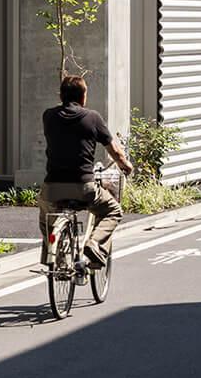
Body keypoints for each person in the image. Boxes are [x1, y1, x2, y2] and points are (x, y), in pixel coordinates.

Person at [40, 74, 133, 270]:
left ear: (61, 96)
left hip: (52, 187)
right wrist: (125, 164)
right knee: (113, 210)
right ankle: (94, 244)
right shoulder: (92, 118)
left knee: (48, 216)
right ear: (83, 97)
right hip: (83, 187)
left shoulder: (48, 116)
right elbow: (114, 150)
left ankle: (57, 258)